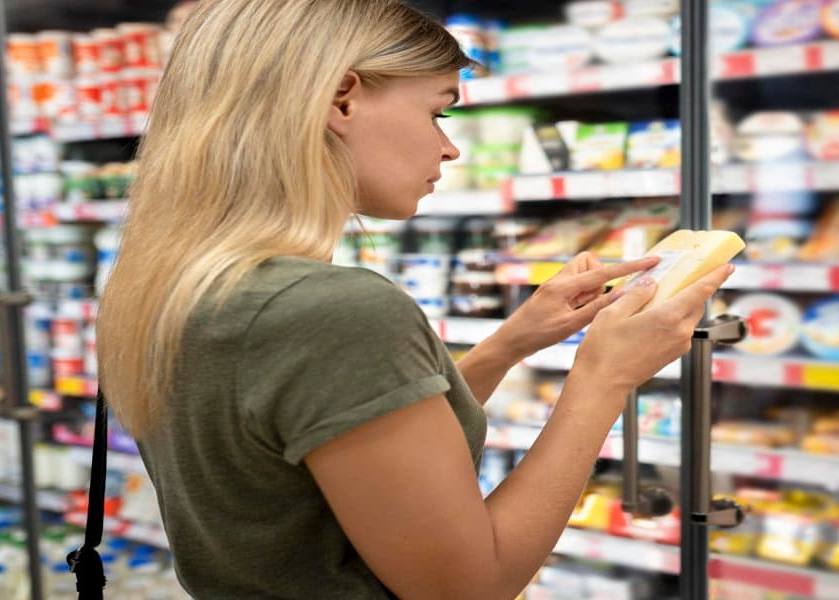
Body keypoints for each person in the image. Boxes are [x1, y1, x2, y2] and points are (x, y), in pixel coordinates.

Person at [96, 1, 731, 598]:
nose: (449, 147)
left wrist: (510, 344)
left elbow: (340, 446)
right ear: (341, 98)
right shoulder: (329, 309)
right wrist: (604, 378)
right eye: (439, 113)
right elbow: (469, 586)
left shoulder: (178, 285)